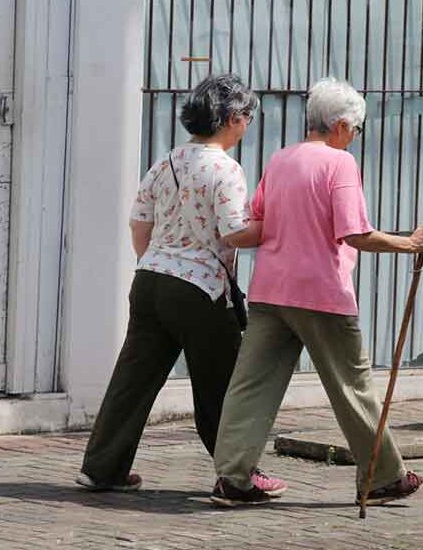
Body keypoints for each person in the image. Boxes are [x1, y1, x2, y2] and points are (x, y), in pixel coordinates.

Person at [210, 77, 423, 507]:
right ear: (339, 125)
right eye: (356, 129)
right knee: (352, 388)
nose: (355, 137)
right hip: (321, 295)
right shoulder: (339, 165)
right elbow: (354, 234)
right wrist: (410, 243)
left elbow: (256, 221)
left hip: (271, 291)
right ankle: (384, 476)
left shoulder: (280, 160)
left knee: (250, 385)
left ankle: (232, 477)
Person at [76, 74, 285, 496]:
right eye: (246, 116)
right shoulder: (225, 169)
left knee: (133, 379)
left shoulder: (166, 161)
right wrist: (277, 225)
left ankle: (102, 468)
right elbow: (234, 233)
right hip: (199, 290)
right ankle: (238, 475)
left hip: (150, 279)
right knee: (222, 385)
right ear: (230, 119)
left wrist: (155, 260)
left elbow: (139, 222)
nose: (248, 125)